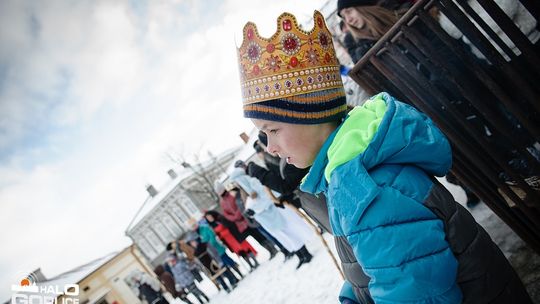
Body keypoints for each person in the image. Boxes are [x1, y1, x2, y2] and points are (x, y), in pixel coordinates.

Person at [235, 10, 532, 303]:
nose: (270, 147)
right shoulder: (345, 175)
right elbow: (372, 265)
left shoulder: (367, 192)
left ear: (312, 116)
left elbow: (415, 293)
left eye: (271, 130)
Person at [229, 165, 314, 269]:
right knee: (284, 238)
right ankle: (300, 256)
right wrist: (249, 211)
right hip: (267, 219)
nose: (236, 184)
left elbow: (268, 196)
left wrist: (255, 209)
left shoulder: (253, 182)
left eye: (236, 181)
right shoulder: (244, 191)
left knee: (290, 234)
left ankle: (306, 254)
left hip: (275, 214)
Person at [214, 180, 280, 259]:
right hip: (240, 224)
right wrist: (234, 217)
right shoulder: (222, 202)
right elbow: (226, 214)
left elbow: (241, 203)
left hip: (247, 219)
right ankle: (269, 250)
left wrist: (238, 213)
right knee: (256, 239)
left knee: (260, 234)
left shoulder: (233, 194)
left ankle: (273, 247)